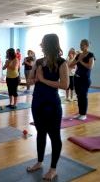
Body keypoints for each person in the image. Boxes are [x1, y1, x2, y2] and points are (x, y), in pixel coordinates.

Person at [27, 34, 69, 181]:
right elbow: (30, 80)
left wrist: (43, 80)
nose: (41, 45)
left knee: (54, 136)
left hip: (51, 104)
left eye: (43, 43)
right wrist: (35, 79)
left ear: (50, 45)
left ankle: (53, 169)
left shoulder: (61, 62)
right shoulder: (38, 62)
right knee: (41, 133)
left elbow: (65, 85)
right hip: (37, 102)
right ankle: (39, 162)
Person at [70, 39, 95, 120]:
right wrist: (77, 59)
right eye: (80, 44)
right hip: (76, 78)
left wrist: (80, 61)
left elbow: (90, 66)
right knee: (79, 96)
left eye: (82, 45)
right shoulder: (78, 55)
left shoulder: (90, 55)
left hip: (85, 79)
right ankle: (80, 113)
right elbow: (70, 65)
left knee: (83, 96)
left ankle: (84, 114)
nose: (80, 46)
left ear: (87, 45)